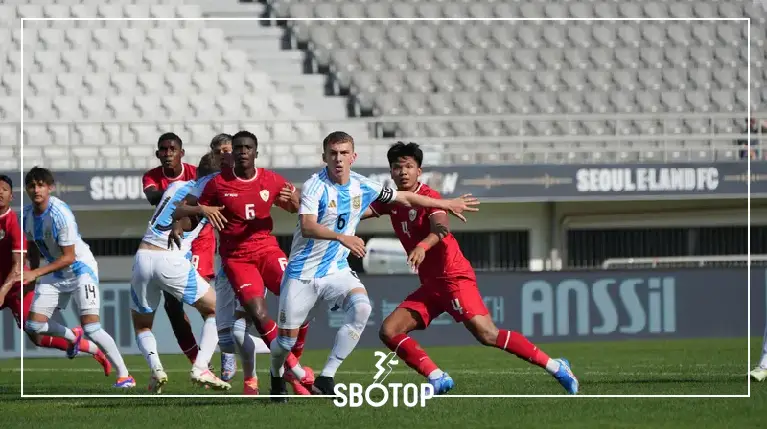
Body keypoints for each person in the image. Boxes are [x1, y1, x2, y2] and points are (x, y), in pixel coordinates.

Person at [267, 131, 479, 400]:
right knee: (285, 342)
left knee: (362, 308)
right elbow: (308, 227)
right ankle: (275, 376)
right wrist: (342, 237)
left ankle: (327, 376)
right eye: (333, 154)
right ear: (324, 157)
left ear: (353, 157)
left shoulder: (362, 185)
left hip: (336, 269)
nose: (339, 159)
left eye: (344, 153)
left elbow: (405, 197)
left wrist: (445, 203)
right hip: (302, 273)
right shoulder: (314, 186)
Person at [366, 142, 578, 395]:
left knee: (487, 334)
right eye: (397, 167)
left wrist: (423, 245)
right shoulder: (391, 200)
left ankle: (557, 366)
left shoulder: (431, 198)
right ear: (390, 172)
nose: (403, 172)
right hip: (431, 285)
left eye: (408, 167)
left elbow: (441, 229)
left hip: (453, 277)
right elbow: (358, 213)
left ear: (419, 171)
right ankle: (437, 377)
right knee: (389, 331)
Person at [172, 130, 311, 395]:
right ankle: (289, 370)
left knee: (299, 298)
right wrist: (186, 220)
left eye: (248, 148)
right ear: (231, 154)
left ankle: (291, 367)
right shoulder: (216, 184)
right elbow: (183, 210)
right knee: (252, 319)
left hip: (268, 250)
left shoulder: (271, 180)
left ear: (256, 153)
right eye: (238, 148)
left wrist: (294, 202)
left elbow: (297, 206)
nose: (242, 152)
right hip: (236, 260)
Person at [20, 167, 134, 388]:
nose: (36, 190)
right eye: (32, 185)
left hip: (80, 269)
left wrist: (35, 272)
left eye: (41, 185)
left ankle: (125, 375)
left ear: (50, 187)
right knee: (33, 326)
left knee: (92, 328)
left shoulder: (60, 214)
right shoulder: (25, 214)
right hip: (55, 271)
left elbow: (69, 256)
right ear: (26, 188)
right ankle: (73, 336)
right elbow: (33, 247)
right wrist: (32, 273)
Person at [132, 156, 230, 393]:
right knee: (216, 311)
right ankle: (201, 367)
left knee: (143, 326)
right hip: (170, 258)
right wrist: (201, 210)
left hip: (143, 257)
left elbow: (176, 208)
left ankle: (156, 370)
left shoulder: (175, 185)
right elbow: (182, 211)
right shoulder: (206, 195)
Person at [0, 174, 111, 374]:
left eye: (4, 189)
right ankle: (79, 340)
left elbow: (19, 264)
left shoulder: (14, 222)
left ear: (12, 196)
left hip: (15, 285)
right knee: (37, 334)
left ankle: (92, 349)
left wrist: (7, 288)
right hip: (5, 285)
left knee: (37, 336)